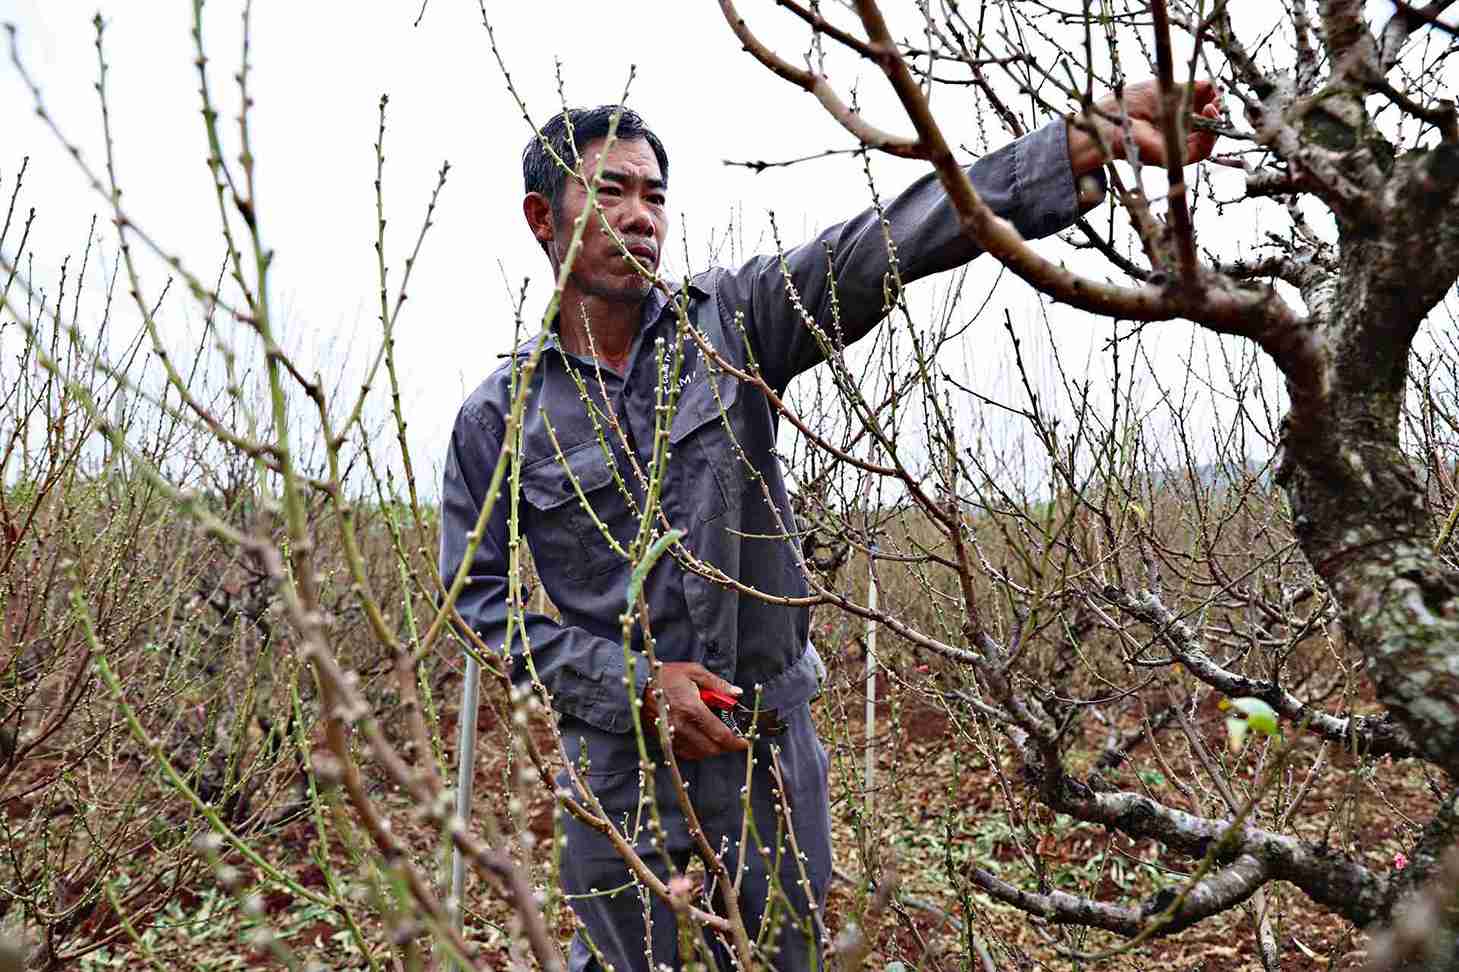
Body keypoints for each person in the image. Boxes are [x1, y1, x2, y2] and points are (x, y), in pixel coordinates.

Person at [440, 80, 1221, 971]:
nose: (642, 215)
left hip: (769, 753)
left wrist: (1074, 146)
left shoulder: (729, 324)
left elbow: (881, 243)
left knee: (786, 957)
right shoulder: (498, 419)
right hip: (621, 768)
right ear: (545, 217)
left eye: (654, 194)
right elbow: (475, 602)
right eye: (610, 191)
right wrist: (633, 684)